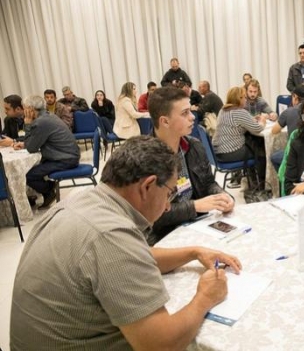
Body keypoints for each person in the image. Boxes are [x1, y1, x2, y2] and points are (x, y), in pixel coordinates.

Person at [11, 135, 242, 350]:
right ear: (147, 186)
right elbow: (161, 345)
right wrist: (205, 297)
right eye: (170, 194)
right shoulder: (112, 236)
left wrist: (194, 252)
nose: (169, 206)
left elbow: (134, 257)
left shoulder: (83, 201)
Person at [146, 87, 235, 244]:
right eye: (184, 113)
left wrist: (221, 196)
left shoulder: (194, 146)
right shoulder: (145, 158)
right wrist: (195, 206)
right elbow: (154, 216)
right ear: (164, 121)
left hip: (197, 225)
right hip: (163, 237)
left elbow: (208, 183)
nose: (193, 117)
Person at [13, 95, 80, 209]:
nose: (24, 112)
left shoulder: (41, 122)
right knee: (34, 168)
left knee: (28, 175)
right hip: (68, 156)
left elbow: (31, 148)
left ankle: (49, 191)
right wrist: (25, 143)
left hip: (65, 159)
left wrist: (28, 124)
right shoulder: (48, 116)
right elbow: (36, 141)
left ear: (30, 109)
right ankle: (45, 191)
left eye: (25, 109)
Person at [213, 86, 267, 186]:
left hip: (218, 153)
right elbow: (257, 129)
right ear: (239, 98)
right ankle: (261, 184)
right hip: (230, 153)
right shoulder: (239, 112)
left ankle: (252, 183)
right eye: (244, 97)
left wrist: (251, 119)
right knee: (262, 152)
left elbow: (236, 123)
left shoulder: (223, 110)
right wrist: (263, 121)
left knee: (253, 145)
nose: (246, 100)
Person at [270, 83, 304, 172]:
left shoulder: (289, 112)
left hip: (295, 153)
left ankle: (285, 180)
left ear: (295, 97)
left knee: (274, 157)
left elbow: (274, 130)